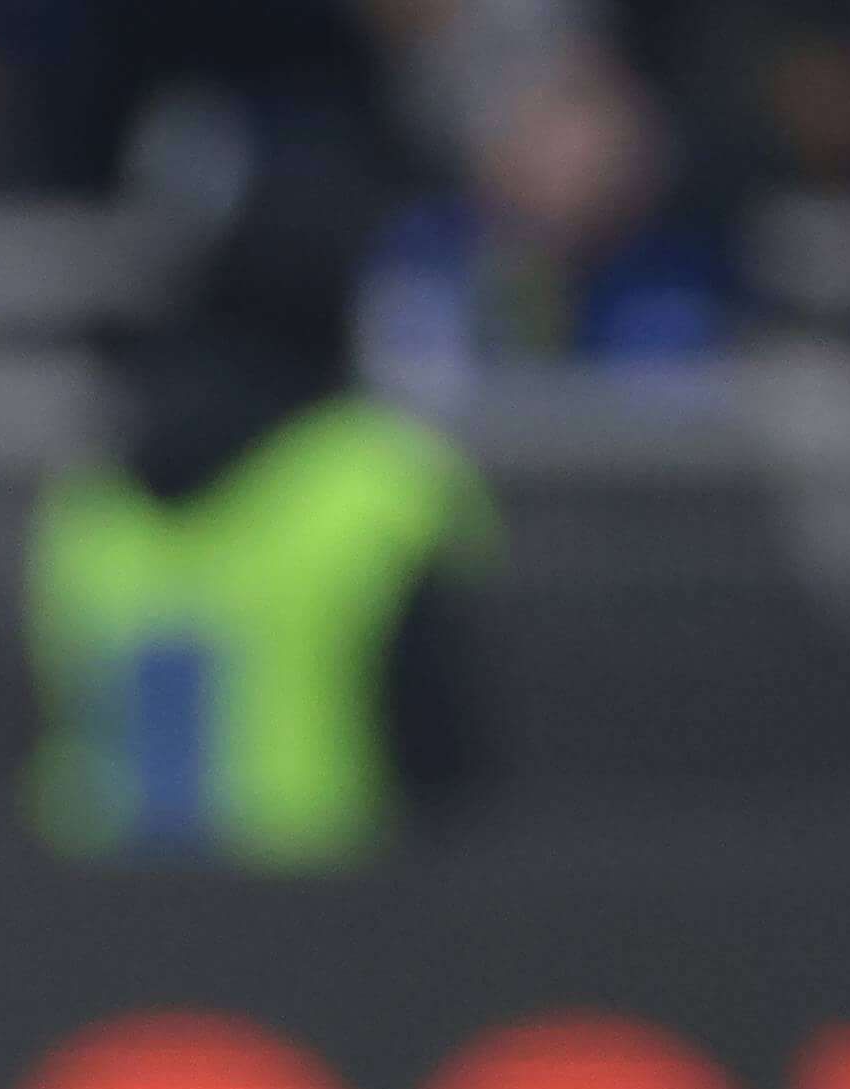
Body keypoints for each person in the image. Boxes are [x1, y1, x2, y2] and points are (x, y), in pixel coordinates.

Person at [25, 129, 501, 869]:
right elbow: (445, 759)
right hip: (327, 917)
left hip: (100, 928)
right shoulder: (384, 483)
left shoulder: (91, 491)